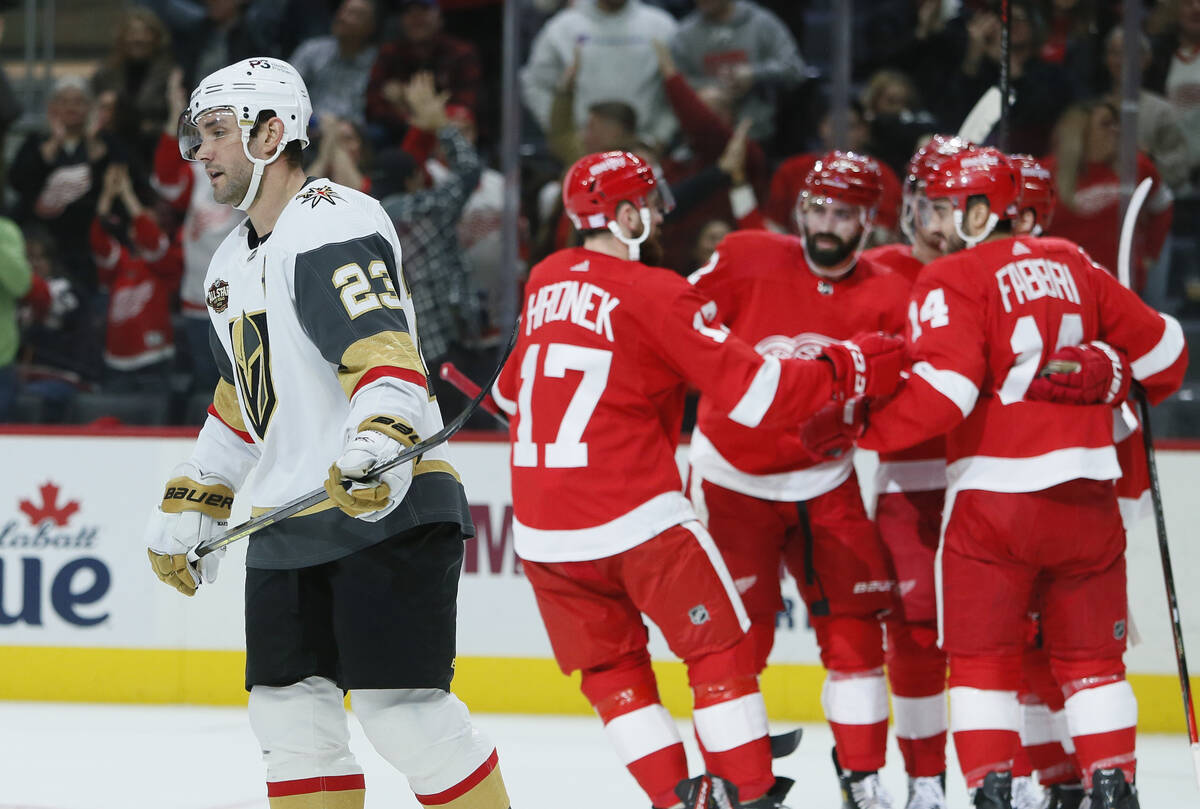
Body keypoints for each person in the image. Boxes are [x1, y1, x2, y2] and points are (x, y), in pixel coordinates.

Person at [142, 57, 510, 809]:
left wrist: (377, 441)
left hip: (387, 500)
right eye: (197, 134)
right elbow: (243, 403)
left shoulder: (331, 217)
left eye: (217, 131)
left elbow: (384, 353)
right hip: (293, 517)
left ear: (273, 132)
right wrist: (195, 499)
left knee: (402, 712)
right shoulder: (227, 267)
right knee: (288, 719)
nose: (200, 151)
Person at [492, 149, 905, 809]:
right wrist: (848, 368)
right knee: (724, 647)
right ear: (625, 215)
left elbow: (510, 397)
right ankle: (748, 792)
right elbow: (760, 394)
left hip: (544, 532)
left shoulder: (546, 275)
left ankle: (679, 798)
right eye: (650, 205)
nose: (658, 216)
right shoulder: (656, 290)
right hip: (635, 515)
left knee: (611, 672)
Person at [806, 146, 1187, 809]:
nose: (943, 223)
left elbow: (948, 392)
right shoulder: (1076, 263)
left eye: (953, 210)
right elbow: (1168, 357)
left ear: (982, 212)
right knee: (1094, 665)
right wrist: (1115, 370)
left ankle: (991, 792)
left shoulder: (955, 273)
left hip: (994, 503)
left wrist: (866, 429)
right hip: (1087, 501)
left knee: (985, 663)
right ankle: (1113, 785)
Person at [686, 151, 911, 809]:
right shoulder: (746, 253)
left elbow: (921, 388)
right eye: (817, 209)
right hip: (731, 478)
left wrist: (867, 427)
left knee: (856, 635)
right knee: (734, 641)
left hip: (825, 479)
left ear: (869, 220)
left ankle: (863, 777)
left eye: (843, 213)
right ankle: (734, 776)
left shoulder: (892, 294)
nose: (826, 224)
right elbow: (674, 321)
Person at [857, 134, 978, 809]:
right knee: (913, 636)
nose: (937, 223)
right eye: (928, 206)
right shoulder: (877, 271)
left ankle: (1020, 775)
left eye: (951, 207)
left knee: (1009, 637)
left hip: (992, 477)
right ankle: (926, 781)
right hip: (909, 482)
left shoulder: (997, 268)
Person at [521, 0, 679, 149]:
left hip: (644, 146)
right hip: (581, 147)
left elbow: (679, 89)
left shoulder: (661, 26)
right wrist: (565, 135)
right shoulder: (562, 27)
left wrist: (658, 138)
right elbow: (535, 85)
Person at [669, 0, 805, 144]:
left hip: (758, 137)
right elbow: (674, 84)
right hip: (703, 140)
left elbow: (795, 69)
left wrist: (754, 74)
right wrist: (707, 90)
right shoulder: (684, 35)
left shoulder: (761, 23)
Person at [289, 0, 379, 126]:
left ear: (371, 26)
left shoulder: (377, 63)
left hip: (353, 134)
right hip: (306, 126)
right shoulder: (312, 50)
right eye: (342, 11)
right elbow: (286, 89)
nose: (343, 18)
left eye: (354, 14)